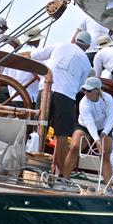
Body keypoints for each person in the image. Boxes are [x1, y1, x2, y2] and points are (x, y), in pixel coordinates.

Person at [32, 31, 93, 176]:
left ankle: (32, 167)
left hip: (45, 89)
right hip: (65, 96)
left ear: (73, 40)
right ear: (88, 46)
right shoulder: (86, 62)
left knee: (39, 129)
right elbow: (80, 85)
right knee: (62, 135)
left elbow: (34, 56)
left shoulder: (58, 45)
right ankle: (59, 175)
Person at [63, 77, 113, 185]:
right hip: (85, 126)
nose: (85, 92)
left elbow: (111, 117)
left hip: (104, 127)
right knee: (74, 148)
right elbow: (89, 123)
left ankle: (108, 188)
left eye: (89, 90)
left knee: (105, 154)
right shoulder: (84, 103)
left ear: (97, 90)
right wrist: (97, 140)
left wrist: (105, 132)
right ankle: (64, 181)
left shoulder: (108, 98)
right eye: (84, 90)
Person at [4, 26, 44, 107]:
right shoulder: (38, 55)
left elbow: (7, 76)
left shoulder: (15, 55)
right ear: (38, 40)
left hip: (14, 97)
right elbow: (43, 77)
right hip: (30, 99)